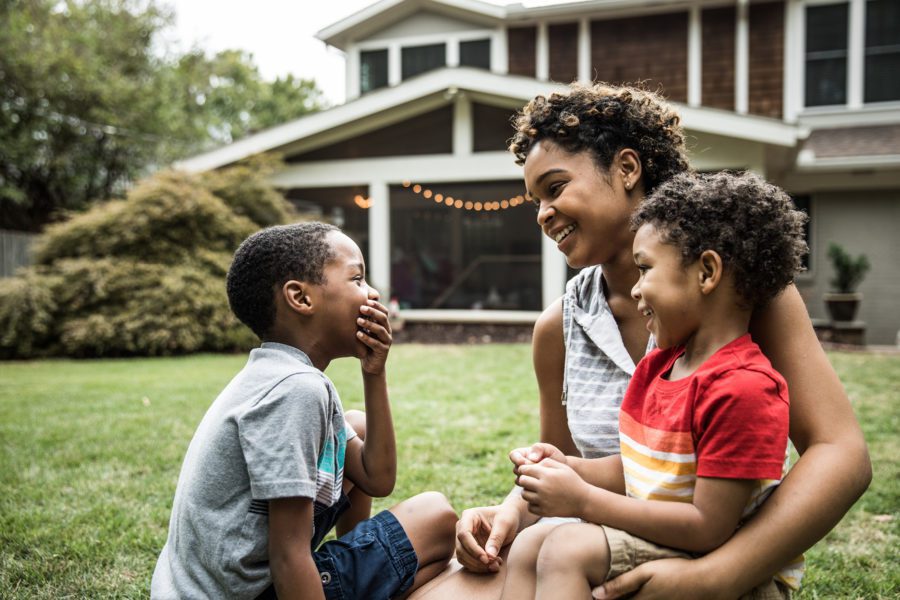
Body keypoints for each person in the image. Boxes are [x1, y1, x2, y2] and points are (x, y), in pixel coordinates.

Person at [413, 83, 870, 599]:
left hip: (710, 564)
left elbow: (841, 454)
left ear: (627, 169)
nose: (542, 212)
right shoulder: (559, 327)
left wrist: (714, 578)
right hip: (593, 551)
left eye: (556, 187)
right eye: (535, 200)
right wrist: (510, 512)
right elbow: (568, 469)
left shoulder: (742, 294)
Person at [502, 170, 808, 599]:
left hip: (723, 569)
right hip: (667, 539)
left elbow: (708, 527)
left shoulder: (744, 389)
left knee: (565, 550)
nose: (637, 288)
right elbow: (642, 466)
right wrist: (571, 469)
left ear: (706, 272)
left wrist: (583, 501)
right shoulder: (660, 368)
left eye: (645, 269)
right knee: (530, 543)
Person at [151, 222, 457, 600]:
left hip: (208, 588)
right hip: (254, 592)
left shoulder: (278, 373)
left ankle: (356, 566)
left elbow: (378, 478)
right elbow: (288, 554)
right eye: (357, 279)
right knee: (437, 518)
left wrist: (374, 373)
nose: (373, 292)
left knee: (355, 426)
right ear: (301, 298)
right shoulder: (296, 390)